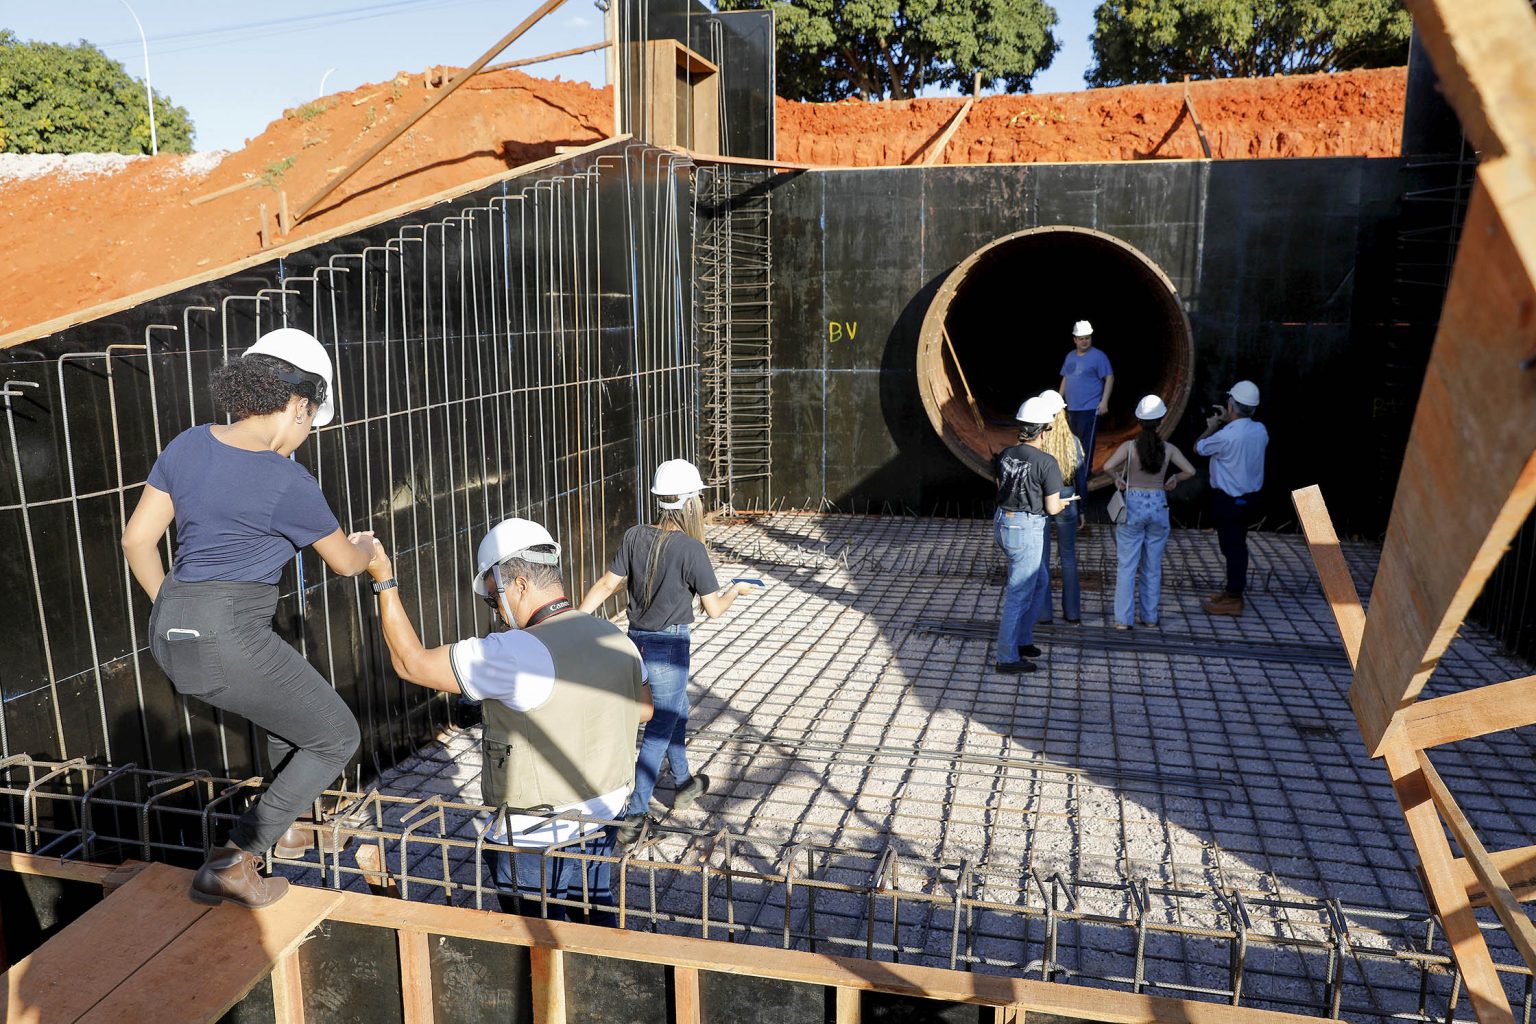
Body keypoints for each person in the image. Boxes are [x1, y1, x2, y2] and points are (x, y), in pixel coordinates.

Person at [121, 328, 372, 910]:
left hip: (170, 629)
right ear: (298, 404)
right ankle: (235, 859)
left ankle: (284, 824)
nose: (306, 435)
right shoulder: (287, 480)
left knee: (295, 723)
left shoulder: (185, 444)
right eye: (311, 421)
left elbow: (137, 539)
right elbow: (342, 563)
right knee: (337, 735)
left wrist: (176, 611)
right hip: (229, 631)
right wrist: (369, 548)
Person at [365, 518, 652, 924]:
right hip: (604, 819)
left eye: (493, 599)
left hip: (533, 837)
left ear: (517, 584)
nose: (497, 613)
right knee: (595, 929)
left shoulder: (514, 653)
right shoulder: (615, 637)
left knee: (534, 942)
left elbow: (411, 663)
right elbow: (643, 710)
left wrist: (383, 580)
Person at [578, 459, 757, 844]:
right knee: (659, 728)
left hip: (636, 643)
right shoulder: (692, 550)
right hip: (670, 648)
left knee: (676, 713)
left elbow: (607, 585)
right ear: (692, 502)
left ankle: (685, 782)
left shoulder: (634, 536)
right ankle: (635, 814)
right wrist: (734, 592)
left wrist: (572, 620)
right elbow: (713, 610)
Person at [993, 397, 1077, 673]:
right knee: (1018, 594)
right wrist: (1064, 503)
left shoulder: (1006, 454)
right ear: (1043, 431)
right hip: (1026, 529)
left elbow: (1001, 486)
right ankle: (1007, 657)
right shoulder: (1047, 462)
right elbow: (1053, 507)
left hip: (1005, 522)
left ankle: (1023, 639)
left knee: (1039, 580)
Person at [1102, 395, 1196, 630]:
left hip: (1132, 505)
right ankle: (1150, 617)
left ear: (1139, 421)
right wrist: (1174, 478)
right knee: (1152, 567)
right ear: (1162, 420)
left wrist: (1118, 480)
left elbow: (1107, 467)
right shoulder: (1169, 449)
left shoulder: (1129, 448)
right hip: (1158, 504)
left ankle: (1123, 620)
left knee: (1127, 566)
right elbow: (1191, 471)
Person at [1194, 380, 1269, 616]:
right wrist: (1230, 422)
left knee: (1233, 548)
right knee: (1237, 545)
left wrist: (1213, 425)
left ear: (1231, 406)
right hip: (1251, 500)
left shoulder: (1225, 436)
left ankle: (1234, 599)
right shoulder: (1261, 431)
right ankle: (1231, 590)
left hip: (1229, 501)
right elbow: (1244, 435)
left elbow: (1198, 447)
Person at [1030, 390, 1082, 626]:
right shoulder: (1073, 442)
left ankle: (1044, 614)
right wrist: (1083, 510)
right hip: (1068, 498)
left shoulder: (1039, 442)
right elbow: (1082, 478)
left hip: (1042, 500)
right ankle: (1072, 613)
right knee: (1068, 558)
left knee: (1042, 559)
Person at [1058, 320, 1114, 505]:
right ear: (1074, 339)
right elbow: (1066, 378)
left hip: (1090, 408)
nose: (1085, 342)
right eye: (1081, 339)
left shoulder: (1099, 357)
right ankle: (1074, 474)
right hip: (1072, 408)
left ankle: (1083, 478)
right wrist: (1059, 400)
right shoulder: (1070, 357)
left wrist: (1104, 401)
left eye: (1087, 338)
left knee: (1086, 445)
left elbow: (1109, 377)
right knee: (1072, 443)